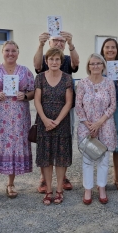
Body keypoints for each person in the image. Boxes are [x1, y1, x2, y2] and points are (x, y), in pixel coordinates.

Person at [0, 41, 35, 201]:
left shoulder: (25, 71)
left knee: (14, 146)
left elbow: (33, 91)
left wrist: (25, 96)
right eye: (7, 50)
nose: (10, 53)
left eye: (14, 51)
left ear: (18, 52)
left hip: (18, 117)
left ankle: (11, 184)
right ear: (2, 52)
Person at [33, 32, 78, 192]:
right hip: (44, 117)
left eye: (61, 40)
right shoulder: (40, 74)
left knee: (62, 149)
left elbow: (76, 63)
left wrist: (58, 121)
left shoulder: (67, 71)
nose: (58, 43)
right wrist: (44, 119)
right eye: (55, 40)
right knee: (45, 150)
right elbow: (37, 66)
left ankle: (61, 181)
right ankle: (45, 182)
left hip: (63, 116)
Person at [76, 54, 117, 205]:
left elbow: (113, 105)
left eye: (98, 63)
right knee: (87, 159)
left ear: (103, 65)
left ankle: (101, 187)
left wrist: (99, 123)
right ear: (88, 66)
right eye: (92, 64)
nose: (95, 66)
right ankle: (88, 189)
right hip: (86, 126)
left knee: (103, 159)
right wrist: (89, 124)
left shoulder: (109, 83)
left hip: (105, 125)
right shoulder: (82, 83)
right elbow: (78, 106)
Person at [100, 38, 118, 191]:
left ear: (117, 50)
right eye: (107, 47)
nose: (110, 50)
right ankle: (101, 180)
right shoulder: (97, 65)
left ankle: (117, 178)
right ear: (103, 49)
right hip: (102, 111)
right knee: (102, 144)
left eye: (113, 47)